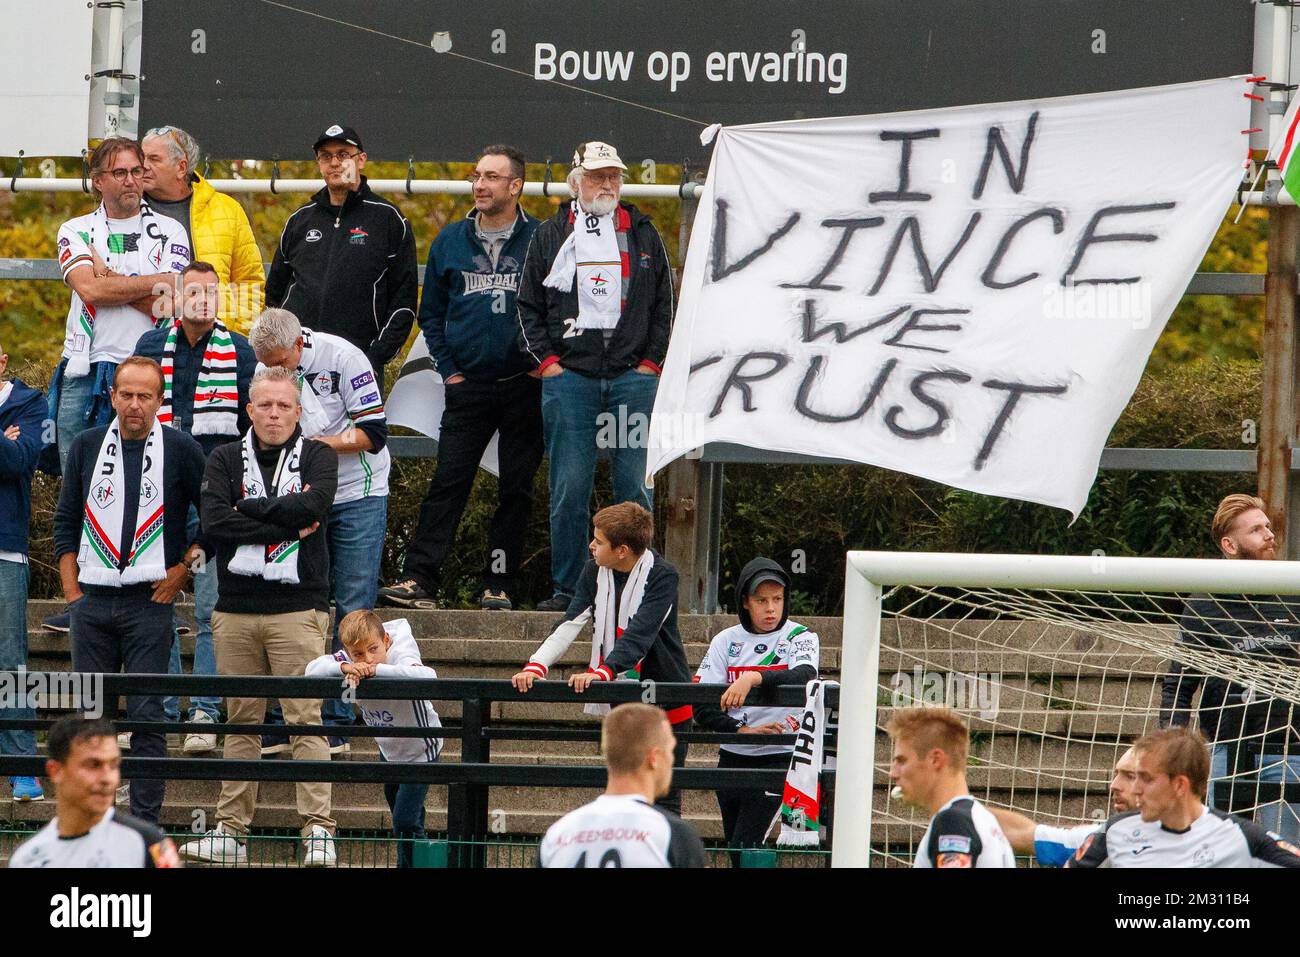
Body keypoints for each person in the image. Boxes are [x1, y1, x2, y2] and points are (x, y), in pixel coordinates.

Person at [180, 366, 339, 866]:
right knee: (240, 723)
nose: (274, 414)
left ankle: (318, 832)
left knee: (305, 721)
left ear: (298, 411)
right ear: (249, 410)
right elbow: (214, 522)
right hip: (236, 610)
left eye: (284, 406)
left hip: (299, 606)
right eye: (265, 405)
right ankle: (229, 832)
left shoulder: (318, 454)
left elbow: (315, 504)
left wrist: (248, 511)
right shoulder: (224, 457)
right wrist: (284, 520)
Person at [378, 145, 542, 612]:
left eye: (492, 177)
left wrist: (538, 361)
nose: (481, 185)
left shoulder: (542, 238)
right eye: (476, 176)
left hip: (524, 384)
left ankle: (498, 583)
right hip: (467, 387)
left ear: (516, 186)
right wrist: (449, 372)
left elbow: (557, 307)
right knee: (449, 482)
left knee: (515, 488)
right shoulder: (450, 240)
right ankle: (419, 580)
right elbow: (431, 315)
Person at [516, 141, 674, 611]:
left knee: (635, 488)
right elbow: (527, 305)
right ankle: (571, 591)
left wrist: (651, 364)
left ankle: (639, 588)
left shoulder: (643, 232)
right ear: (576, 180)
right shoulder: (550, 234)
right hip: (572, 380)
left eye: (614, 176)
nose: (607, 184)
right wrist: (549, 364)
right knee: (569, 487)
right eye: (597, 176)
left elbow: (665, 304)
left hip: (632, 379)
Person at [43, 137, 191, 634]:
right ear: (98, 181)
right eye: (119, 173)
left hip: (144, 368)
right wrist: (144, 283)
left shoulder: (169, 228)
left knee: (152, 485)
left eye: (136, 171)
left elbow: (171, 302)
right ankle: (80, 595)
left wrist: (113, 279)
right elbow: (88, 289)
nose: (131, 180)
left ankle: (149, 596)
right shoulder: (76, 227)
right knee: (80, 484)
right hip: (86, 370)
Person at [52, 357, 207, 824]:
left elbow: (214, 522)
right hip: (92, 602)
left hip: (150, 603)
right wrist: (71, 591)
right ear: (113, 396)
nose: (135, 404)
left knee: (146, 720)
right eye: (126, 394)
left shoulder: (182, 449)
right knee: (90, 723)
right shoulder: (86, 445)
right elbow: (66, 522)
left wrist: (183, 571)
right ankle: (91, 824)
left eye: (145, 396)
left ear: (160, 401)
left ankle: (144, 826)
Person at [250, 308, 390, 752]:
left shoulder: (344, 357)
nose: (274, 371)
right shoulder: (267, 364)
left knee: (352, 603)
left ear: (298, 345)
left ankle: (337, 720)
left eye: (281, 363)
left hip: (357, 493)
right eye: (265, 364)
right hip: (300, 495)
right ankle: (288, 715)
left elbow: (374, 433)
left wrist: (311, 446)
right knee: (295, 601)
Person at [134, 260, 258, 754]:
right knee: (157, 602)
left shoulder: (240, 349)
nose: (203, 300)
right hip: (156, 490)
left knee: (209, 607)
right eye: (194, 291)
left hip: (214, 493)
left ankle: (204, 712)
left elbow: (252, 422)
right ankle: (162, 711)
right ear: (175, 296)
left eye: (212, 292)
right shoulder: (149, 347)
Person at [510, 502, 694, 814]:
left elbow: (640, 633)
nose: (591, 545)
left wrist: (603, 671)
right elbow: (572, 620)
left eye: (599, 541)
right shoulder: (594, 569)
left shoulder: (663, 576)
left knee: (663, 797)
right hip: (622, 701)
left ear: (622, 550)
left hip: (666, 697)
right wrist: (536, 664)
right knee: (624, 791)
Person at [1161, 493, 1300, 840]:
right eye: (1256, 530)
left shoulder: (1294, 592)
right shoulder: (1204, 605)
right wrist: (1172, 748)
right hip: (1224, 745)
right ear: (1230, 544)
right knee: (1219, 853)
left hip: (1288, 749)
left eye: (1268, 526)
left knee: (1282, 855)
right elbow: (1178, 685)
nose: (1269, 535)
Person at [264, 124, 416, 384]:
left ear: (362, 160)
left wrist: (375, 357)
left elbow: (404, 302)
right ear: (319, 163)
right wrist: (282, 350)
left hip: (358, 364)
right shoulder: (299, 220)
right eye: (326, 156)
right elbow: (274, 296)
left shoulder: (389, 219)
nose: (334, 163)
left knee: (359, 428)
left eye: (343, 154)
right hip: (298, 364)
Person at [693, 557, 820, 857]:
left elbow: (804, 674)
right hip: (732, 756)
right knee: (736, 852)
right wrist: (741, 728)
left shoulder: (800, 636)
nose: (771, 608)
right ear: (745, 602)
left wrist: (753, 677)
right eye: (761, 600)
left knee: (745, 846)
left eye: (777, 599)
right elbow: (701, 703)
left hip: (779, 757)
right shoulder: (725, 641)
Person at [305, 610, 441, 867]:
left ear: (386, 641)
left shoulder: (400, 648)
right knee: (405, 822)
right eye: (358, 654)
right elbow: (312, 669)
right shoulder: (348, 660)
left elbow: (427, 675)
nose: (366, 658)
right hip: (388, 750)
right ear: (348, 651)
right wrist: (346, 667)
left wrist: (377, 669)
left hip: (422, 748)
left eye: (373, 649)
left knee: (405, 821)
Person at [1067, 728, 1300, 868]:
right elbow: (1036, 837)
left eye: (1145, 779)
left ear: (1179, 785)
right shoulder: (1116, 830)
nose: (1132, 789)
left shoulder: (1241, 836)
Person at [537, 703, 705, 868]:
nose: (671, 759)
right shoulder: (670, 834)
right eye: (669, 750)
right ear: (654, 758)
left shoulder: (557, 835)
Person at [9, 717, 180, 868]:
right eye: (93, 765)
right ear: (56, 771)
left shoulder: (149, 843)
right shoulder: (26, 859)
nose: (108, 778)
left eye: (113, 765)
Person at [142, 125, 265, 333]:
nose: (143, 165)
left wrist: (238, 337)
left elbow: (249, 283)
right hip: (144, 343)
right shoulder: (126, 210)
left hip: (215, 343)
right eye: (141, 157)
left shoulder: (227, 210)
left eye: (154, 159)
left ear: (181, 168)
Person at [0, 341, 48, 802]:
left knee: (10, 661)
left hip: (4, 548)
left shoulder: (31, 403)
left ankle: (20, 765)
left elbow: (19, 460)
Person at [887, 706, 1016, 868]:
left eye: (902, 760)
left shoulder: (953, 822)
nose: (893, 772)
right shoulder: (983, 819)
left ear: (935, 760)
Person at [989, 745, 1138, 867]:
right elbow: (1023, 833)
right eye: (1116, 775)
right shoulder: (1099, 838)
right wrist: (969, 810)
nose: (1114, 785)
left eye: (1130, 776)